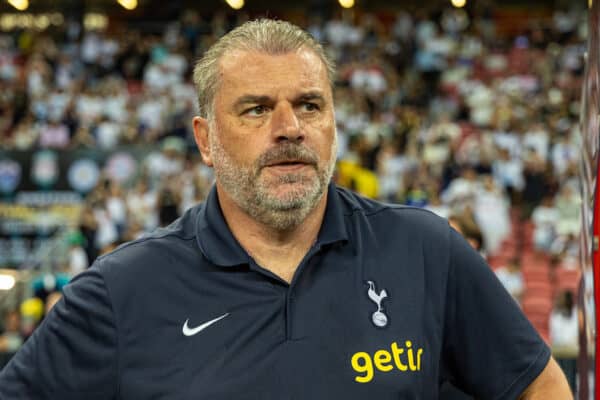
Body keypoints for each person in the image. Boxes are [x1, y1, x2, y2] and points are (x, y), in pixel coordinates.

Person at [0, 19, 571, 399]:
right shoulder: (120, 292)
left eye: (309, 105)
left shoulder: (424, 249)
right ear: (205, 139)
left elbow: (540, 387)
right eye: (255, 109)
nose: (289, 129)